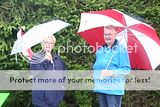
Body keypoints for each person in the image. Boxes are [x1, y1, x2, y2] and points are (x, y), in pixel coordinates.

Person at [93, 25, 131, 107]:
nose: (107, 36)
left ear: (115, 34)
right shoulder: (100, 50)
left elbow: (126, 69)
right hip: (100, 88)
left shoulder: (121, 50)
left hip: (113, 90)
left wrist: (112, 72)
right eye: (105, 34)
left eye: (109, 34)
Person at [29, 35, 67, 107]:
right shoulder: (36, 57)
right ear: (42, 44)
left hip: (55, 100)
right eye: (46, 42)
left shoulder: (58, 59)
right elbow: (35, 73)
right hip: (41, 101)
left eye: (51, 43)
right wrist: (46, 60)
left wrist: (62, 87)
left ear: (53, 45)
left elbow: (64, 73)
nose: (48, 44)